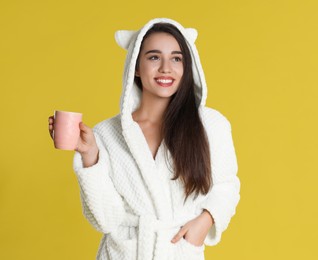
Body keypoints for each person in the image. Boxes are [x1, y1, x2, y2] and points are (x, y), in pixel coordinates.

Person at [48, 17, 240, 260]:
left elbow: (227, 187)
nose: (166, 68)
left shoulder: (210, 125)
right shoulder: (106, 134)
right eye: (154, 57)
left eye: (176, 58)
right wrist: (90, 156)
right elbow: (106, 219)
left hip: (178, 251)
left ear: (187, 66)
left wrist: (206, 219)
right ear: (135, 67)